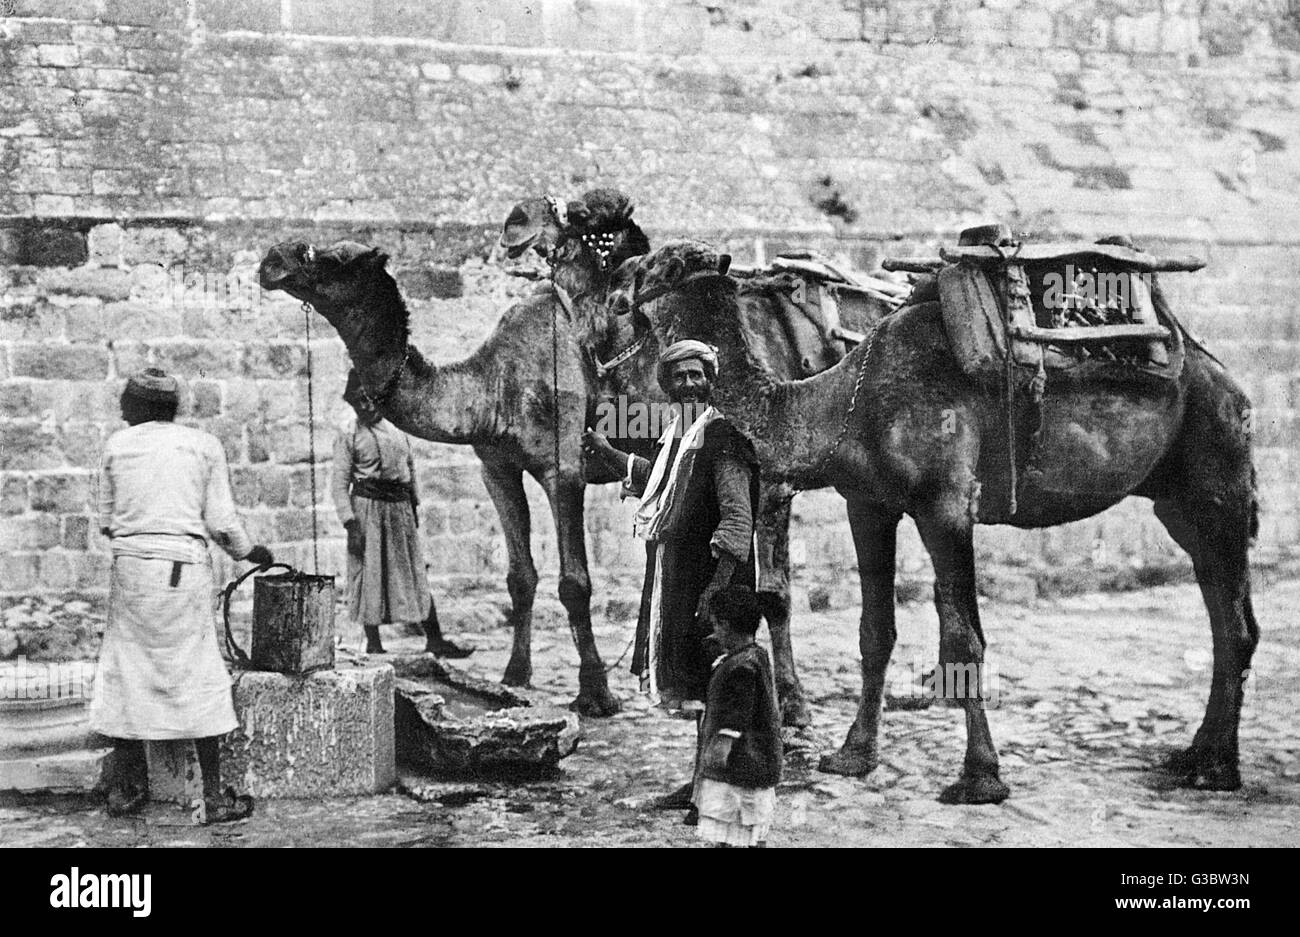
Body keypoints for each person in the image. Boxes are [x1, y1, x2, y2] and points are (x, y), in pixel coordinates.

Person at [582, 340, 760, 816]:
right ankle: (701, 784)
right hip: (681, 578)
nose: (688, 384)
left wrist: (716, 591)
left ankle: (718, 792)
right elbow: (657, 480)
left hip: (712, 584)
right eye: (679, 377)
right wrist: (605, 451)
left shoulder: (722, 439)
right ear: (668, 384)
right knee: (702, 690)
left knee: (722, 688)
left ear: (709, 380)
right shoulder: (678, 438)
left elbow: (738, 520)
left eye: (696, 375)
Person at [92, 367, 267, 823]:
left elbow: (107, 521)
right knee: (197, 672)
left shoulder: (116, 446)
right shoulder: (202, 445)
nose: (121, 409)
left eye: (127, 402)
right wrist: (252, 552)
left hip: (130, 569)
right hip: (181, 570)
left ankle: (127, 790)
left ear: (141, 407)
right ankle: (211, 797)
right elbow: (223, 524)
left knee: (126, 667)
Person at [331, 371, 470, 657]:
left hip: (400, 511)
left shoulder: (398, 429)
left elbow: (410, 470)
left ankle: (435, 639)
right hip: (367, 510)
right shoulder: (349, 434)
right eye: (359, 402)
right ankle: (374, 644)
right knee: (370, 574)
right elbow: (338, 485)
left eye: (369, 400)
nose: (365, 407)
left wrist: (414, 506)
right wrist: (350, 524)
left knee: (414, 573)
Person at [695, 584, 782, 848]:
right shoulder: (755, 656)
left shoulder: (742, 668)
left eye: (717, 626)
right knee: (747, 828)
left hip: (740, 764)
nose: (715, 633)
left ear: (727, 625)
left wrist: (723, 743)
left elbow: (737, 712)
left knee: (735, 822)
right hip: (752, 764)